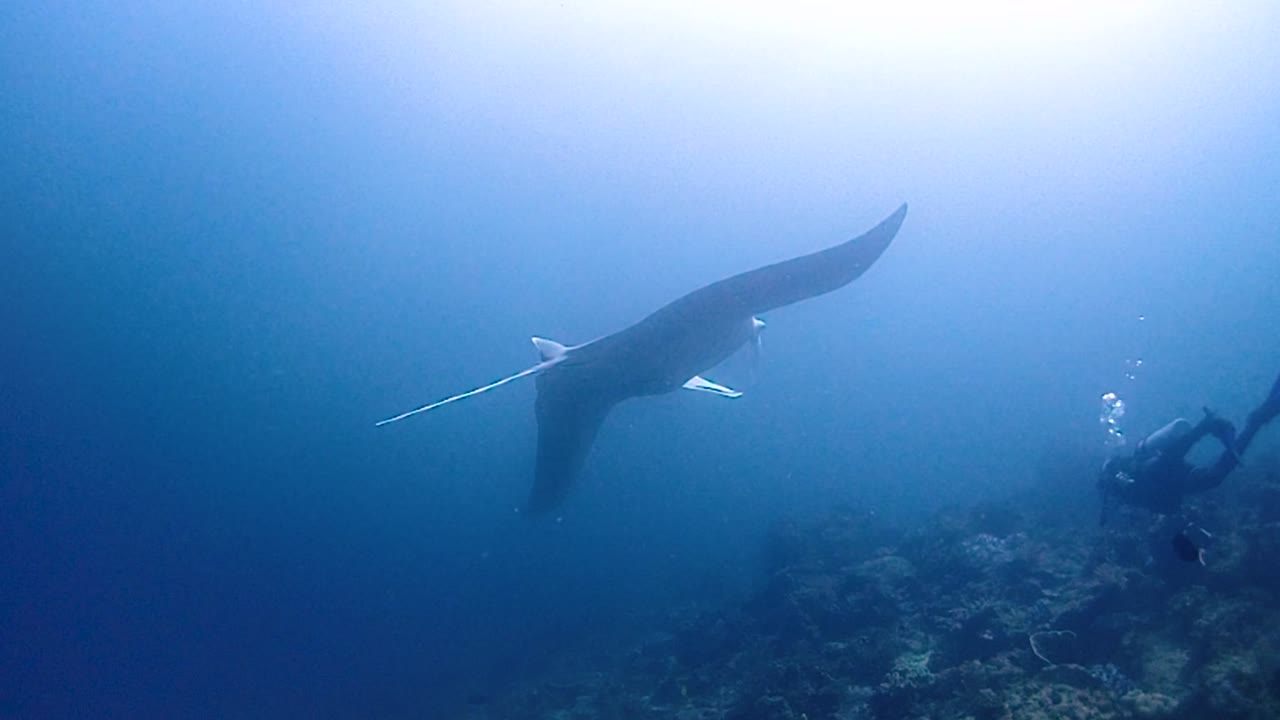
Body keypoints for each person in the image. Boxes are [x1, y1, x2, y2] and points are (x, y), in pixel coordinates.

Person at [1098, 371, 1280, 525]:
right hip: (1169, 481)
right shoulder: (1122, 493)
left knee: (1174, 464)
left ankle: (1207, 426)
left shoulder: (1119, 488)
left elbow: (1148, 484)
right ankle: (1255, 421)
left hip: (1153, 474)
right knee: (1213, 478)